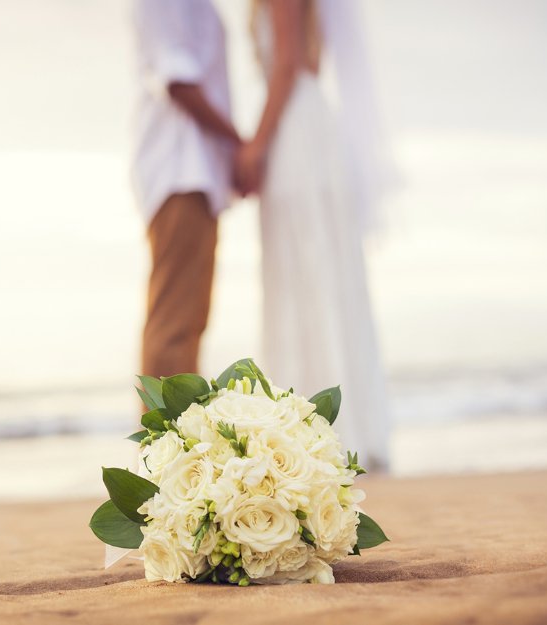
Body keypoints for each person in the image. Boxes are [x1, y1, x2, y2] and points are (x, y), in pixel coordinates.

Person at [236, 0, 390, 470]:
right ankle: (340, 429)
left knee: (301, 277)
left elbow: (288, 64)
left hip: (295, 135)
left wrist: (255, 147)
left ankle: (314, 435)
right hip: (310, 128)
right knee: (319, 276)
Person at [131, 0, 241, 380]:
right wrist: (237, 146)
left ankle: (176, 438)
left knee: (189, 321)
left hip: (197, 171)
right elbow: (176, 79)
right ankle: (162, 439)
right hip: (180, 168)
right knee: (174, 324)